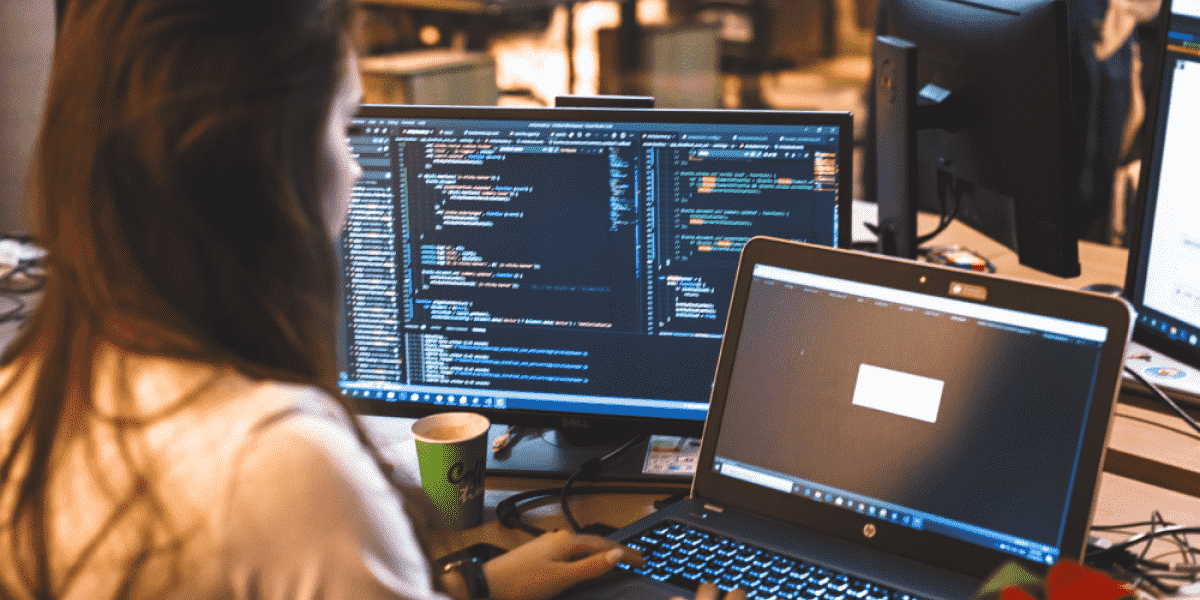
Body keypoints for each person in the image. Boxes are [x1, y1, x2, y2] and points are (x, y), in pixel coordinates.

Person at [0, 0, 716, 598]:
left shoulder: (25, 398)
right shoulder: (282, 468)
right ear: (273, 171)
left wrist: (472, 587)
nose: (356, 169)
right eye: (346, 128)